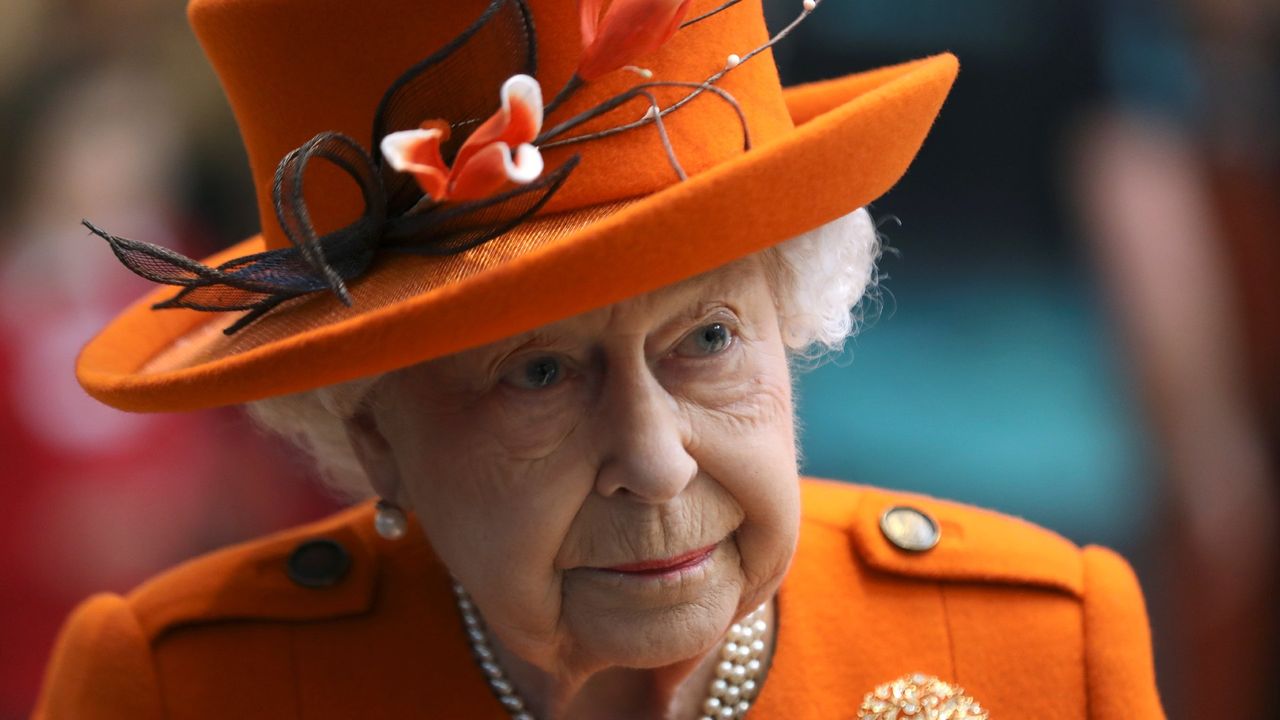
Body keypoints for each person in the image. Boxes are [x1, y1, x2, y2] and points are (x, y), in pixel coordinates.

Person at [33, 0, 1165, 717]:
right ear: (374, 434)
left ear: (790, 321)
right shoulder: (187, 691)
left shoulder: (1037, 654)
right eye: (538, 372)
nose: (656, 462)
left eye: (708, 339)